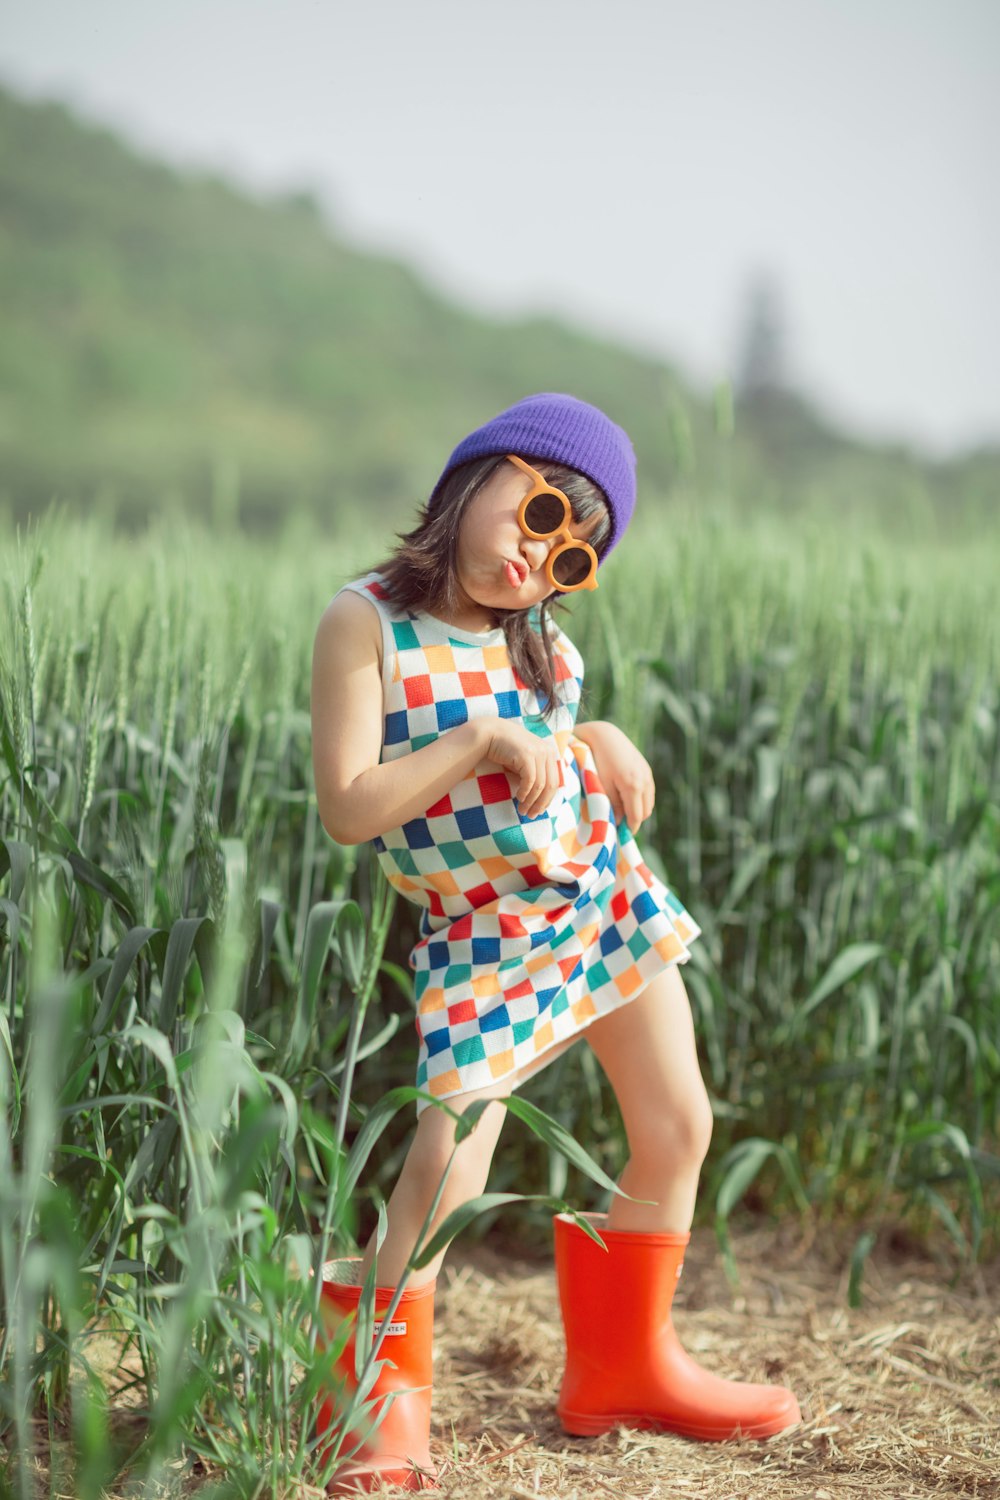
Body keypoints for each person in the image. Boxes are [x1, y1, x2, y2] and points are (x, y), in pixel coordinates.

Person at [309, 393, 801, 1493]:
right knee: (445, 1160)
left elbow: (542, 748)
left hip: (596, 897)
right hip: (482, 933)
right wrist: (479, 737)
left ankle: (625, 1366)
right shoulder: (368, 621)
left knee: (678, 1123)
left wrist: (589, 733)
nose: (537, 560)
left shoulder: (541, 642)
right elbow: (349, 806)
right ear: (479, 474)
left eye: (570, 555)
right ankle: (381, 1400)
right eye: (536, 514)